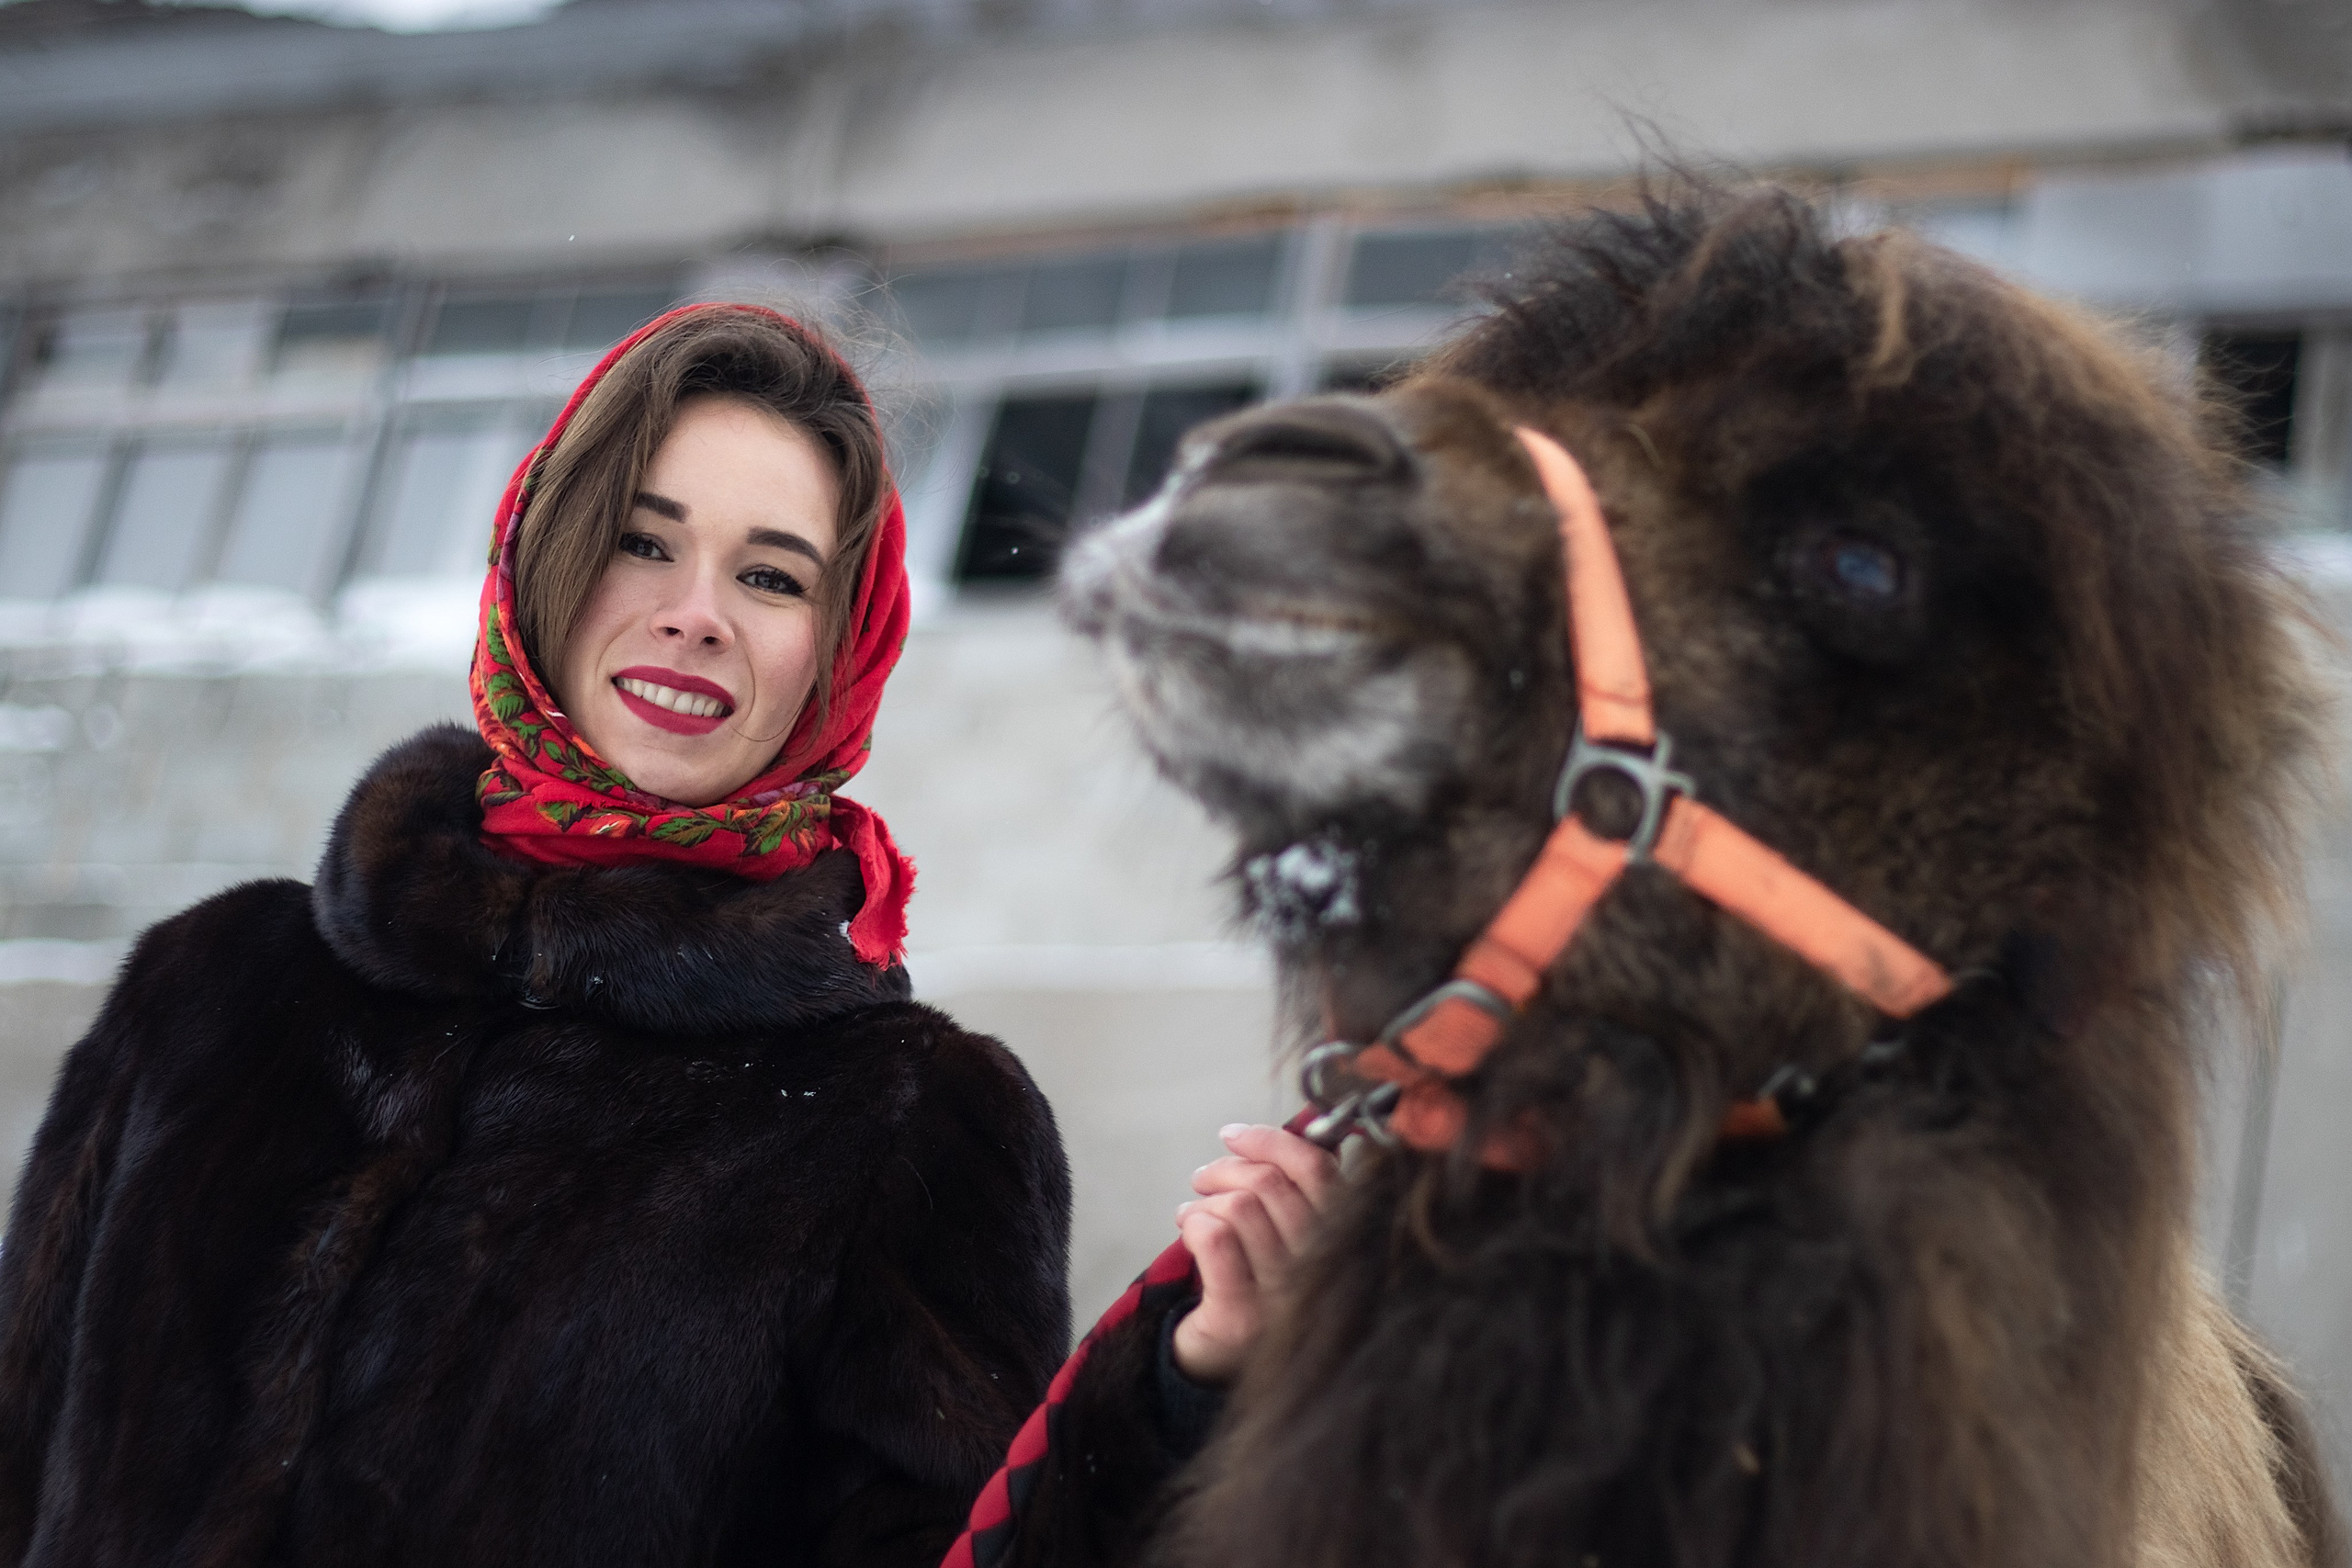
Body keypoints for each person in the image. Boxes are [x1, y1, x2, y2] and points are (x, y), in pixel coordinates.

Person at [0, 303, 1071, 1568]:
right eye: (641, 542)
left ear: (841, 652)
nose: (696, 613)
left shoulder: (912, 1119)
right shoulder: (212, 989)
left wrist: (1172, 1390)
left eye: (772, 576)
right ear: (546, 563)